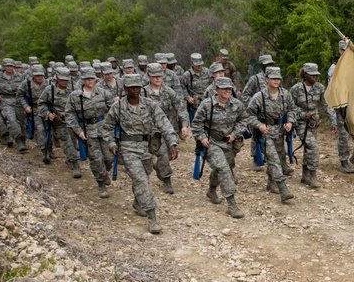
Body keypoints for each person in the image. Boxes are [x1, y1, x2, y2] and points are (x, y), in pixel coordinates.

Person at [105, 74, 179, 234]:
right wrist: (111, 144)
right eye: (132, 87)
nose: (135, 90)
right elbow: (107, 128)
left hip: (147, 148)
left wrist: (172, 142)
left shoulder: (150, 105)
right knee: (141, 180)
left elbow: (164, 123)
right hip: (128, 147)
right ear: (125, 89)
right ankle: (152, 217)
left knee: (145, 176)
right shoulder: (117, 107)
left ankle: (138, 203)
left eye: (138, 87)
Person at [191, 77, 250, 218]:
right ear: (216, 89)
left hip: (228, 143)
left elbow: (244, 120)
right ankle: (232, 203)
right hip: (211, 143)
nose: (227, 91)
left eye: (229, 88)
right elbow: (196, 125)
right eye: (223, 88)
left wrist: (235, 134)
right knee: (223, 168)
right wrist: (202, 138)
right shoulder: (207, 105)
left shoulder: (237, 104)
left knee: (226, 167)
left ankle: (211, 190)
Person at [245, 66, 299, 202]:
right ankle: (283, 189)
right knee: (273, 159)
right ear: (266, 79)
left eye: (278, 78)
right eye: (273, 78)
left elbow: (293, 109)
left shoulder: (285, 94)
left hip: (280, 131)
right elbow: (248, 115)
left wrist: (290, 122)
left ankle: (271, 182)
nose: (276, 81)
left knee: (280, 158)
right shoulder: (259, 96)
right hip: (265, 133)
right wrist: (259, 125)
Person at [66, 67, 116, 198]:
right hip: (88, 130)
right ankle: (101, 184)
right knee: (96, 159)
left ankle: (105, 171)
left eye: (92, 78)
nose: (90, 81)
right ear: (82, 80)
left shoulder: (103, 93)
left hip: (104, 128)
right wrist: (78, 131)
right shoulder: (75, 96)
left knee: (109, 157)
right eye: (87, 79)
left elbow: (114, 109)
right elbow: (69, 115)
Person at [290, 62, 338, 188]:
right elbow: (289, 107)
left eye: (316, 75)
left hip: (313, 124)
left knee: (309, 148)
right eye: (312, 75)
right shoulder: (296, 89)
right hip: (300, 123)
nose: (315, 78)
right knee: (313, 147)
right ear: (305, 75)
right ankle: (313, 175)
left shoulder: (320, 88)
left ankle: (305, 175)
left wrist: (333, 121)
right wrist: (302, 114)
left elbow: (326, 104)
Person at [143, 62, 189, 194]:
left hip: (167, 128)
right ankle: (167, 180)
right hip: (150, 130)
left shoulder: (169, 92)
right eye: (154, 76)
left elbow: (180, 108)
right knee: (161, 154)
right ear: (149, 77)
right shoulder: (143, 92)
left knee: (169, 154)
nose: (158, 78)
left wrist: (184, 125)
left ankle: (160, 169)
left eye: (160, 75)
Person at [328, 39, 354, 174]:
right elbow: (331, 92)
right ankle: (343, 161)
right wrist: (333, 117)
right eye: (343, 51)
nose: (345, 53)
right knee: (343, 136)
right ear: (339, 51)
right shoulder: (334, 69)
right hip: (341, 107)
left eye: (348, 51)